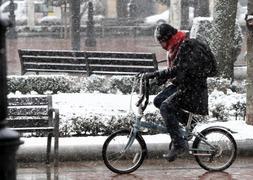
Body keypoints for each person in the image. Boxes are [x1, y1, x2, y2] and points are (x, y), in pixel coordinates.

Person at [144, 23, 217, 162]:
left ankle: (179, 144)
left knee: (166, 107)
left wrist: (157, 74)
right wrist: (157, 79)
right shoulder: (176, 46)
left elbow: (180, 69)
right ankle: (189, 121)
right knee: (158, 100)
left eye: (161, 41)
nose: (161, 44)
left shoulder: (186, 46)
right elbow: (178, 72)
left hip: (193, 89)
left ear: (168, 38)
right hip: (184, 85)